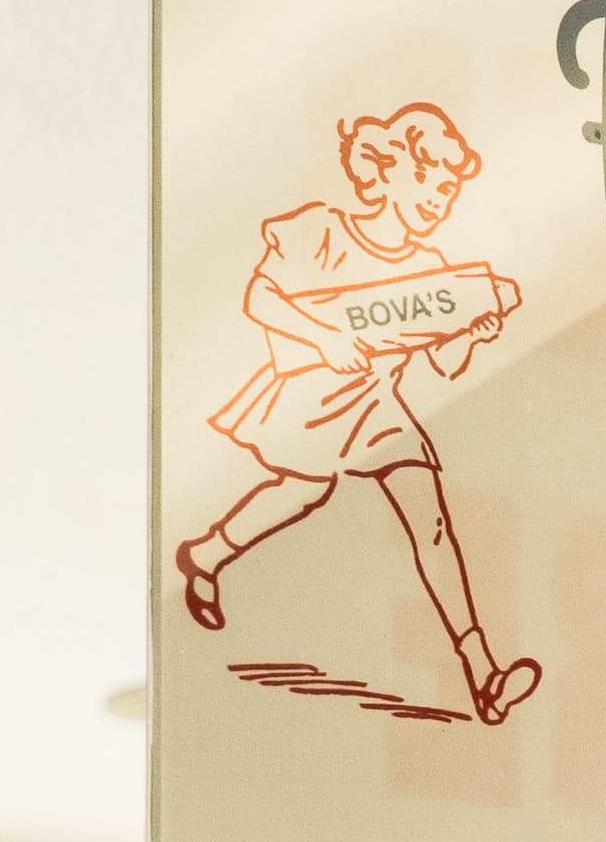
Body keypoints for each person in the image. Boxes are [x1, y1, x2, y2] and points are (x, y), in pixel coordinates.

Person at [176, 102, 540, 723]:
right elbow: (260, 296)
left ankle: (484, 674)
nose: (439, 198)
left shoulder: (433, 273)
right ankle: (206, 555)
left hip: (374, 401)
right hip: (310, 392)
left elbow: (444, 368)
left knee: (431, 524)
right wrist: (324, 338)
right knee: (300, 491)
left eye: (449, 188)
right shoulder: (321, 230)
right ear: (387, 172)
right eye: (429, 182)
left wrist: (473, 331)